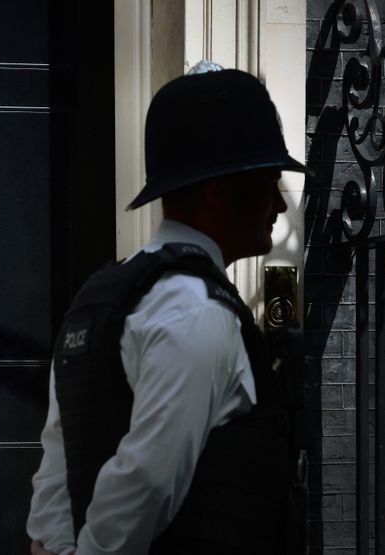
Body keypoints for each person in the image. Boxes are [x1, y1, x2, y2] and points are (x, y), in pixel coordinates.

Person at [27, 64, 309, 555]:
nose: (280, 208)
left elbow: (57, 454)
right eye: (268, 186)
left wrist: (54, 543)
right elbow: (149, 478)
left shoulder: (101, 296)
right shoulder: (198, 311)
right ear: (218, 193)